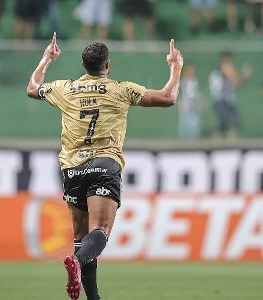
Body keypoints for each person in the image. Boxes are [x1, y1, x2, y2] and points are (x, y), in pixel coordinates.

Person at [26, 33, 183, 300]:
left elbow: (33, 87)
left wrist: (46, 58)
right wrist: (176, 66)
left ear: (83, 65)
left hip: (72, 168)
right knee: (99, 231)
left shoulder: (65, 88)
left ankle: (92, 296)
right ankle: (76, 263)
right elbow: (168, 97)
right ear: (107, 65)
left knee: (81, 235)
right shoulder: (122, 90)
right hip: (104, 163)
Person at [209, 51, 250, 139]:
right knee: (222, 127)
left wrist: (244, 77)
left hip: (228, 101)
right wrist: (243, 75)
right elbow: (234, 79)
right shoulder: (221, 69)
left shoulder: (226, 69)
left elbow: (237, 85)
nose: (230, 62)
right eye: (228, 60)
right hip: (221, 102)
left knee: (232, 126)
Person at [178, 63, 203, 139]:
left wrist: (200, 102)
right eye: (190, 69)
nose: (192, 71)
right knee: (184, 133)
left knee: (194, 133)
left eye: (193, 69)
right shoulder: (182, 81)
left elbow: (196, 94)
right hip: (185, 111)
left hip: (194, 111)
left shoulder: (194, 81)